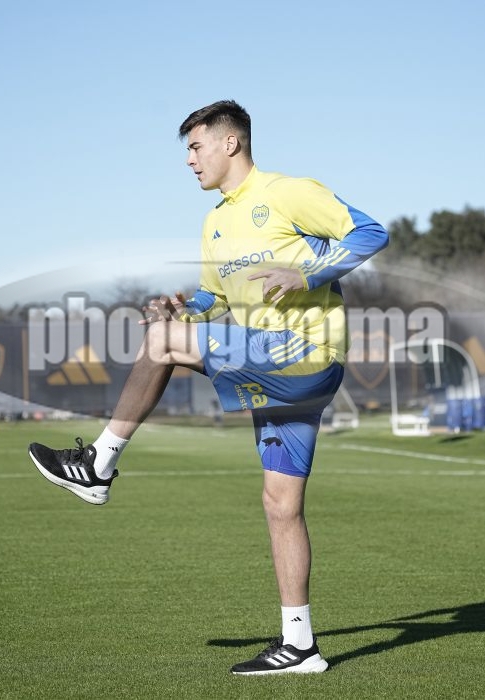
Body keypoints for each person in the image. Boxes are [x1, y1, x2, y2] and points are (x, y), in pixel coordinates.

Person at [29, 100, 388, 676]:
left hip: (305, 353)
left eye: (195, 147)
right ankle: (301, 646)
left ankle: (98, 464)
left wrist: (305, 272)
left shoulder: (289, 192)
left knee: (164, 344)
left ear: (230, 143)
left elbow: (371, 231)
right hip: (276, 370)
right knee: (281, 505)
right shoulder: (215, 222)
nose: (190, 160)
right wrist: (181, 310)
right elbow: (212, 298)